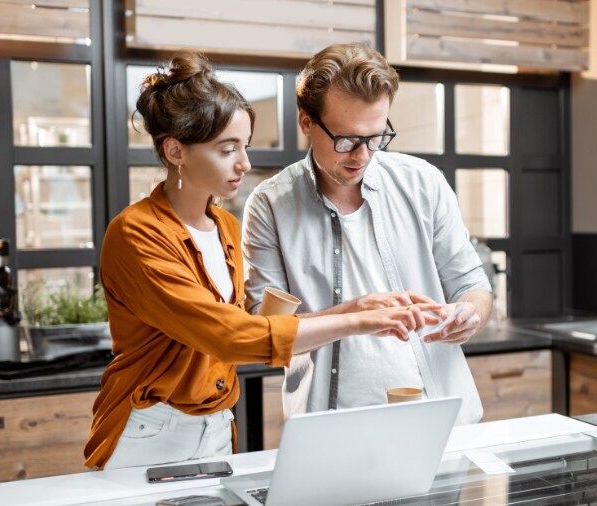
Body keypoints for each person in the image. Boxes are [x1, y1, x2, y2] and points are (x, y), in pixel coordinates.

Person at [83, 50, 435, 470]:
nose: (245, 164)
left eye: (245, 146)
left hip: (215, 427)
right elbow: (228, 337)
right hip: (148, 429)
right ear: (176, 150)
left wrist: (355, 306)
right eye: (227, 148)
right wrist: (358, 321)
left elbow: (255, 328)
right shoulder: (136, 234)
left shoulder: (226, 229)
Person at [242, 42, 495, 425]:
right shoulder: (270, 205)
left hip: (440, 418)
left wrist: (470, 313)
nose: (362, 155)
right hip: (328, 429)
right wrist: (353, 312)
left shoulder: (423, 182)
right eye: (346, 139)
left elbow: (473, 285)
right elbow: (265, 333)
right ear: (306, 122)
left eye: (376, 137)